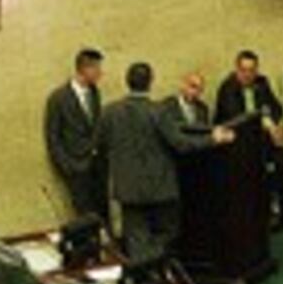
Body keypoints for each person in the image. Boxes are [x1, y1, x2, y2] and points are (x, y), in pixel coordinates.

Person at [105, 61, 229, 261]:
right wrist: (213, 139)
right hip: (159, 188)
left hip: (127, 188)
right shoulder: (159, 112)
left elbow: (102, 145)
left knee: (135, 237)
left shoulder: (110, 112)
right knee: (167, 233)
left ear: (127, 81)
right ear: (150, 82)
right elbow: (180, 144)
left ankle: (142, 277)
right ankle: (155, 271)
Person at [213, 50, 283, 228]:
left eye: (252, 70)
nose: (248, 75)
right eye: (244, 70)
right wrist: (263, 121)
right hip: (236, 146)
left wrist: (274, 123)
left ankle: (278, 216)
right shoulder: (228, 88)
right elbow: (235, 119)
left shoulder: (262, 83)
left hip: (261, 143)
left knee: (281, 166)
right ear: (236, 69)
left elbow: (276, 107)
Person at [43, 48, 106, 220]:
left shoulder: (94, 93)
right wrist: (67, 165)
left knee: (102, 213)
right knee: (83, 215)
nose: (101, 73)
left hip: (97, 165)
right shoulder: (58, 98)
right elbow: (52, 136)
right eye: (97, 68)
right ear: (85, 69)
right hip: (76, 166)